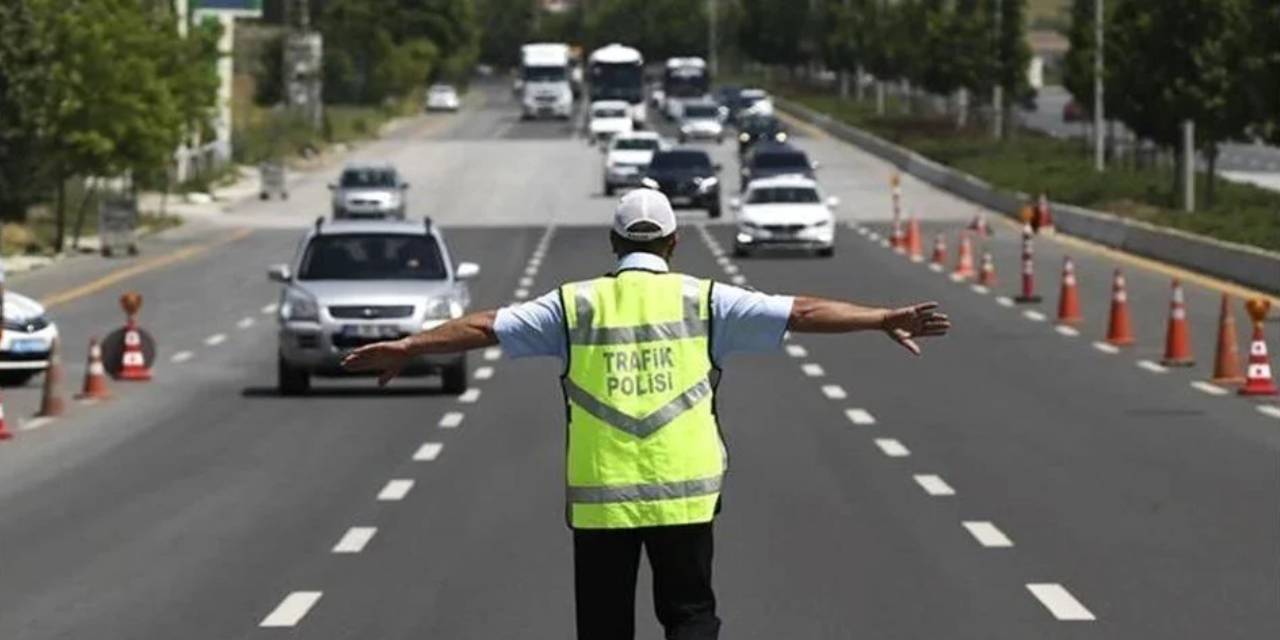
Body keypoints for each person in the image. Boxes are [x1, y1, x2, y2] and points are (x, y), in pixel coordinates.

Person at [341, 189, 951, 640]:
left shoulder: (573, 305)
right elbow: (802, 312)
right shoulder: (705, 299)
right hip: (684, 492)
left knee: (605, 626)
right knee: (690, 615)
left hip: (603, 494)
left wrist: (409, 345)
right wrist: (881, 318)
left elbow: (483, 326)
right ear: (673, 243)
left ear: (613, 244)